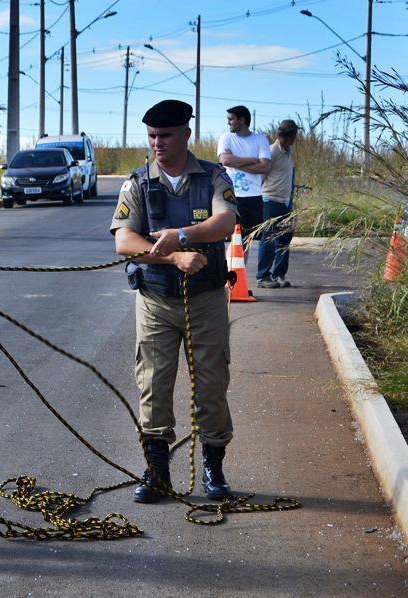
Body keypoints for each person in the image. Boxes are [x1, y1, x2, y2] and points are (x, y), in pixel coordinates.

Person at [111, 99, 237, 504]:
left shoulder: (213, 176)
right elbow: (124, 241)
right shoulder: (137, 183)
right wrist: (173, 256)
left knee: (211, 384)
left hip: (206, 299)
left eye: (165, 136)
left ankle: (213, 469)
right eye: (151, 137)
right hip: (155, 300)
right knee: (152, 385)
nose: (157, 144)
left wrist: (183, 235)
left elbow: (226, 221)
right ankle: (157, 472)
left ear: (186, 134)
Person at [217, 105, 271, 261]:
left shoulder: (260, 139)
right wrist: (252, 159)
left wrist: (236, 162)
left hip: (253, 197)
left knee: (245, 241)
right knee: (233, 239)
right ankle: (228, 277)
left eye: (231, 119)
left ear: (242, 119)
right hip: (232, 196)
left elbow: (265, 167)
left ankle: (238, 281)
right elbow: (225, 160)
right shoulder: (226, 138)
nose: (228, 123)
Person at [257, 120, 299, 288]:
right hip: (270, 200)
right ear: (289, 135)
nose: (296, 137)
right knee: (268, 238)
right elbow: (260, 176)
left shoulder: (289, 152)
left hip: (286, 202)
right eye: (295, 134)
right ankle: (263, 276)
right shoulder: (271, 152)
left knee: (284, 238)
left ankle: (279, 274)